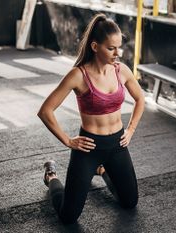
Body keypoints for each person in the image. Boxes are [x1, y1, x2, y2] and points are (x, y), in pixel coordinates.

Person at [37, 13, 145, 224]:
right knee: (68, 216)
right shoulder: (78, 75)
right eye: (111, 48)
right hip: (88, 148)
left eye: (119, 47)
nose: (117, 53)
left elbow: (140, 98)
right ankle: (51, 176)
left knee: (130, 202)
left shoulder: (121, 71)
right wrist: (68, 140)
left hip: (117, 144)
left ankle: (102, 169)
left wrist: (130, 130)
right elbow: (45, 110)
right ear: (95, 47)